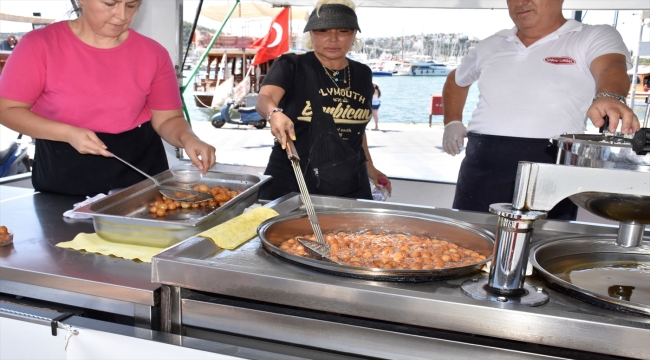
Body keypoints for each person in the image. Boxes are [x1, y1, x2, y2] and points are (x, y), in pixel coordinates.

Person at [442, 0, 639, 220]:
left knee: (542, 242)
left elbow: (611, 66)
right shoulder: (490, 44)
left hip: (551, 160)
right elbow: (456, 80)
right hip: (483, 157)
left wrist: (609, 96)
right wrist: (452, 122)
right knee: (471, 238)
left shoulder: (592, 35)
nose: (521, 2)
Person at [0, 0, 215, 196]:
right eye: (110, 3)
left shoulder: (154, 53)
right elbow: (7, 109)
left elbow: (168, 119)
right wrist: (67, 133)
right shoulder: (39, 45)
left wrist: (189, 138)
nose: (122, 15)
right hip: (63, 177)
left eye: (131, 5)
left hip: (142, 180)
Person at [256, 0, 391, 200]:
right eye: (323, 31)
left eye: (343, 31)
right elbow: (265, 98)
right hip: (293, 180)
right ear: (311, 34)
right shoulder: (291, 65)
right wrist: (274, 113)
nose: (333, 39)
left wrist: (370, 168)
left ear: (354, 35)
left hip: (350, 181)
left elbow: (356, 130)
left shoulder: (363, 73)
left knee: (353, 232)